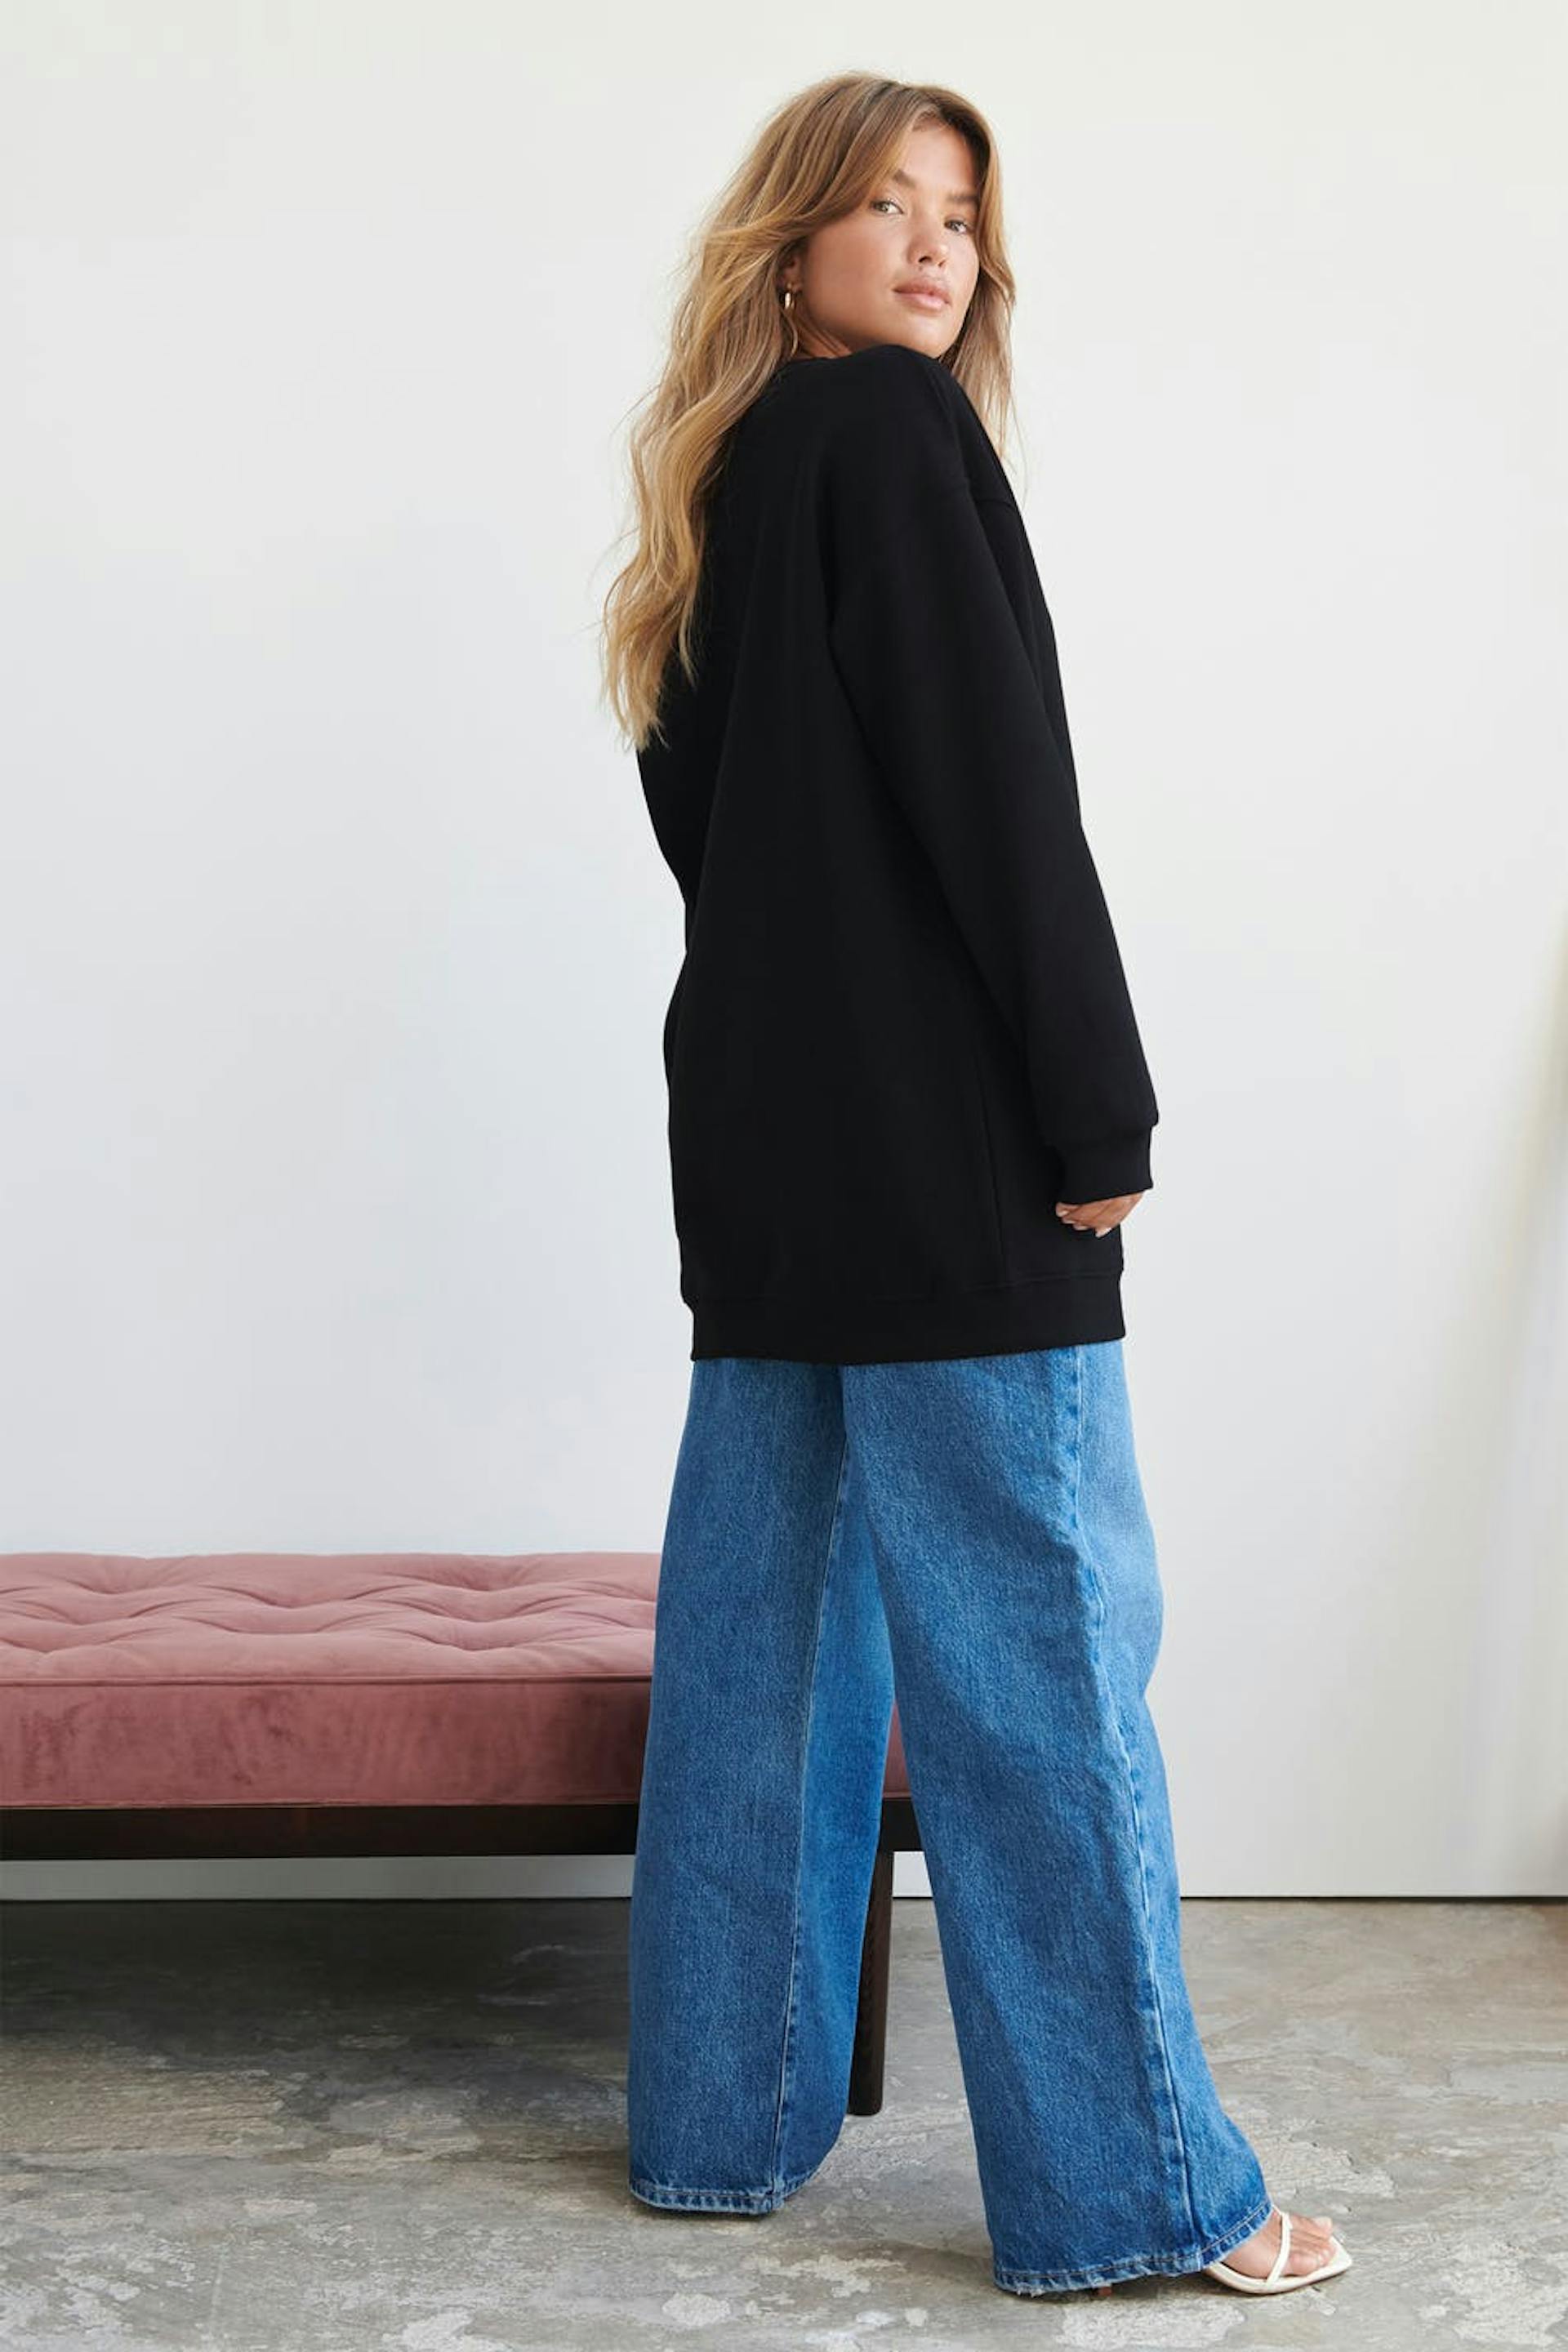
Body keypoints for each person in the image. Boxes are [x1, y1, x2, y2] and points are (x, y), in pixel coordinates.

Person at [599, 71, 1354, 2303]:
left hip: (762, 1160)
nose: (937, 248)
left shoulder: (720, 482)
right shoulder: (900, 438)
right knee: (1041, 1671)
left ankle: (715, 2132)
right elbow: (1001, 795)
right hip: (943, 1167)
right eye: (889, 206)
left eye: (962, 218)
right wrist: (1094, 1111)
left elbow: (705, 834)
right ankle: (1140, 2194)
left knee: (762, 1664)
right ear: (795, 240)